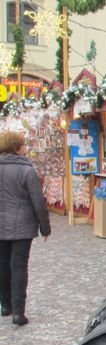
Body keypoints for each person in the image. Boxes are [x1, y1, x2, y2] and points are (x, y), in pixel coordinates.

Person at [0, 130, 50, 326]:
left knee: (2, 265)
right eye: (23, 144)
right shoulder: (26, 170)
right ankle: (18, 312)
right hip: (22, 226)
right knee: (19, 266)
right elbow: (38, 201)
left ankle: (5, 305)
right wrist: (45, 227)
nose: (25, 148)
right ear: (16, 147)